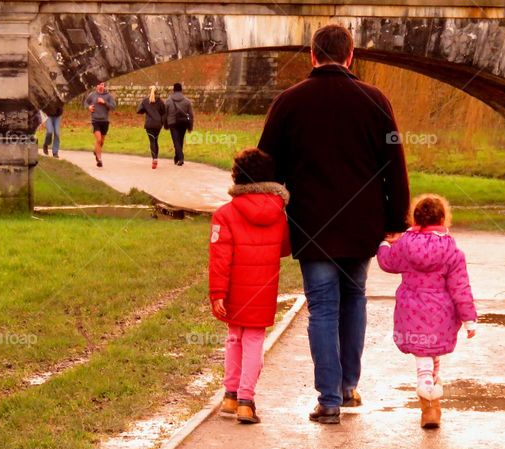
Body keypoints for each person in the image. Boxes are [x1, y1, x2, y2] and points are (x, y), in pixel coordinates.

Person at [258, 23, 410, 424]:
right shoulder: (375, 100)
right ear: (350, 55)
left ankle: (327, 400)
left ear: (312, 55)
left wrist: (264, 206)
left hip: (311, 222)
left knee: (322, 307)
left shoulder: (289, 102)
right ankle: (347, 386)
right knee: (354, 298)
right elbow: (394, 164)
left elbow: (265, 163)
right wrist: (396, 219)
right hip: (362, 224)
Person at [376, 194, 477, 429]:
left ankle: (429, 400)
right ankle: (431, 402)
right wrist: (469, 319)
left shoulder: (404, 245)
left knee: (423, 355)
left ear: (415, 219)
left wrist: (384, 244)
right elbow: (460, 287)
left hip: (411, 311)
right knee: (431, 353)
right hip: (440, 313)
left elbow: (387, 262)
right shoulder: (452, 251)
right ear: (443, 218)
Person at [209, 148, 291, 424]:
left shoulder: (225, 214)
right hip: (264, 288)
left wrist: (217, 293)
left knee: (234, 337)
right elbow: (284, 248)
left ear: (237, 178)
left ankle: (230, 395)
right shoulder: (279, 213)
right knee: (254, 340)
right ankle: (247, 400)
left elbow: (220, 259)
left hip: (234, 289)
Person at [84, 81, 117, 167]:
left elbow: (113, 107)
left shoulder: (108, 96)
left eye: (102, 84)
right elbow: (85, 103)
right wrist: (89, 107)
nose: (100, 86)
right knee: (98, 139)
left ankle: (96, 150)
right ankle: (99, 160)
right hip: (95, 120)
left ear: (104, 86)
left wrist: (104, 102)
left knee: (101, 141)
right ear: (96, 86)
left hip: (105, 121)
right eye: (99, 84)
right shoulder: (92, 95)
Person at [137, 85, 167, 169]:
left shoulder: (145, 101)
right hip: (158, 124)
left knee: (152, 141)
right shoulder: (160, 101)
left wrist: (145, 108)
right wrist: (162, 122)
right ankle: (156, 159)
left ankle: (154, 159)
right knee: (156, 140)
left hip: (149, 124)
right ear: (157, 92)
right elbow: (164, 112)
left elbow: (139, 111)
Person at [165, 82, 194, 166]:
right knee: (180, 140)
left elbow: (165, 114)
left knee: (176, 141)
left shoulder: (168, 100)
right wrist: (190, 126)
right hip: (183, 123)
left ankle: (180, 158)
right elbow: (191, 115)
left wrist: (165, 124)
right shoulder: (187, 101)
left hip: (172, 123)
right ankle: (177, 157)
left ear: (173, 90)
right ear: (181, 90)